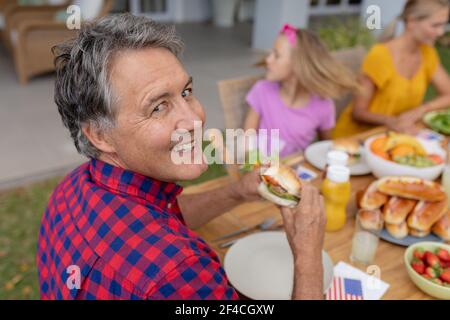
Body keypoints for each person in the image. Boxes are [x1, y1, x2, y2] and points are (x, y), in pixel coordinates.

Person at [36, 14, 326, 300]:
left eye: (186, 92)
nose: (194, 119)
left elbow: (164, 212)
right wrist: (308, 257)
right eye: (158, 107)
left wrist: (237, 192)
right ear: (99, 135)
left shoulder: (71, 188)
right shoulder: (179, 272)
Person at [333, 0, 450, 138]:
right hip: (359, 138)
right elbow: (358, 112)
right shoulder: (380, 56)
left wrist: (420, 110)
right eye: (435, 25)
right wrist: (393, 121)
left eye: (443, 25)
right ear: (412, 21)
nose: (440, 32)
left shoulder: (428, 54)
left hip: (395, 135)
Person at [244, 24, 359, 158]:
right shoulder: (262, 90)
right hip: (258, 171)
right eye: (270, 53)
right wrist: (253, 167)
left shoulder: (323, 105)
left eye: (276, 55)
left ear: (298, 64)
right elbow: (248, 142)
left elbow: (327, 147)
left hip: (294, 174)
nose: (268, 59)